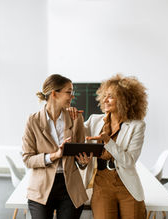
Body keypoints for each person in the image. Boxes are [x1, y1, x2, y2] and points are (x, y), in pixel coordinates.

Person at [70, 74, 148, 219]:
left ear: (125, 100)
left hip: (127, 187)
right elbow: (78, 137)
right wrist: (75, 120)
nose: (105, 100)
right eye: (104, 96)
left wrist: (108, 141)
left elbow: (129, 161)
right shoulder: (94, 120)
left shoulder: (137, 126)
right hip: (102, 185)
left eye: (110, 96)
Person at [22, 74, 92, 219]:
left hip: (70, 188)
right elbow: (28, 159)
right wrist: (55, 155)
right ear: (54, 93)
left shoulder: (76, 117)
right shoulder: (33, 121)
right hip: (41, 187)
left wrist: (83, 162)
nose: (72, 96)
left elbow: (79, 153)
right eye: (68, 92)